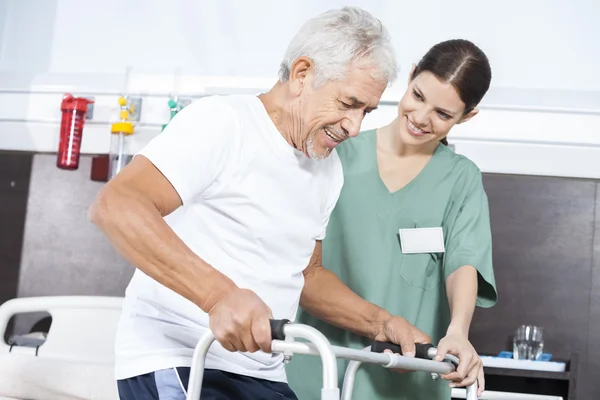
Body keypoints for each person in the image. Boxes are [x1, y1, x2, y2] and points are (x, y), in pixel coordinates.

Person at [89, 7, 432, 400]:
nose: (354, 127)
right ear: (302, 74)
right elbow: (116, 204)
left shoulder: (327, 167)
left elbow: (306, 274)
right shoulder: (225, 123)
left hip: (264, 372)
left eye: (366, 111)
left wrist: (382, 323)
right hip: (182, 359)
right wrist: (217, 296)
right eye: (348, 103)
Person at [286, 38, 499, 400]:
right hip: (321, 367)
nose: (420, 118)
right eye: (418, 96)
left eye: (442, 114)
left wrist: (458, 331)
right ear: (411, 74)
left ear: (467, 117)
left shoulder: (461, 179)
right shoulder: (338, 153)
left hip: (406, 377)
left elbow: (464, 260)